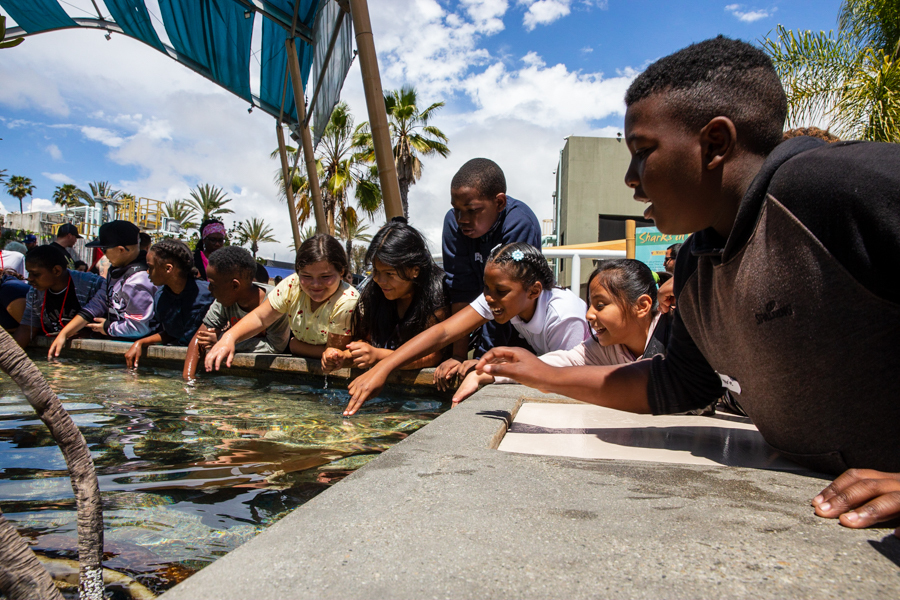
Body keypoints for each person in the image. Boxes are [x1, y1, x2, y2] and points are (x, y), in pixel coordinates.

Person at [472, 36, 900, 533]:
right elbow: (675, 382)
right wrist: (538, 375)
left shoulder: (831, 190)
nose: (631, 178)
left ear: (715, 143)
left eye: (643, 152)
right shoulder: (699, 264)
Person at [345, 243, 589, 415]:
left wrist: (491, 371)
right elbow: (443, 332)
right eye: (486, 288)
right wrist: (384, 368)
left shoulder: (564, 317)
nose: (489, 298)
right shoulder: (502, 297)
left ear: (534, 291)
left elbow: (565, 380)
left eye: (500, 292)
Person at [453, 259, 670, 404]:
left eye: (601, 305)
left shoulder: (675, 338)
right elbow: (553, 364)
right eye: (590, 304)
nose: (589, 315)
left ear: (641, 306)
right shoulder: (602, 349)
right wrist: (489, 373)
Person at [438, 158, 542, 386]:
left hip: (518, 329)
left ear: (500, 203)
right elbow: (460, 290)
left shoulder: (519, 223)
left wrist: (484, 358)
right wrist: (458, 355)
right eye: (456, 210)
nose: (462, 219)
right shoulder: (453, 223)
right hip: (481, 318)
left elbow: (505, 297)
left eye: (472, 210)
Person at [204, 234, 358, 374]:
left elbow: (333, 353)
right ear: (297, 272)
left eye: (325, 276)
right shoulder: (293, 285)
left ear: (342, 272)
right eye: (306, 276)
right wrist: (229, 337)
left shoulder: (345, 301)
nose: (315, 284)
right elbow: (260, 318)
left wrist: (295, 346)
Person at [348, 218, 450, 371]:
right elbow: (367, 339)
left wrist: (378, 355)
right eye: (376, 271)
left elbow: (432, 356)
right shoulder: (375, 293)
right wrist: (349, 354)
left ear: (414, 270)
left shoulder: (437, 294)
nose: (380, 280)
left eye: (390, 274)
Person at [48, 220, 157, 356]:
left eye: (104, 250)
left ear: (121, 250)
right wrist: (64, 333)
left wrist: (108, 328)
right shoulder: (117, 270)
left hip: (139, 350)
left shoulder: (138, 281)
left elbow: (139, 328)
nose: (103, 254)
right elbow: (97, 303)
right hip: (121, 341)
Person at [182, 246, 291, 381]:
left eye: (213, 284)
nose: (209, 289)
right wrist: (188, 379)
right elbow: (200, 338)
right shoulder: (223, 301)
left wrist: (223, 341)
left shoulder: (275, 302)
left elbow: (275, 346)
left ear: (235, 286)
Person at [124, 240, 214, 369]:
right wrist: (141, 343)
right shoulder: (160, 297)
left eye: (151, 267)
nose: (147, 272)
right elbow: (172, 333)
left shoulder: (209, 294)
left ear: (168, 268)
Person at [14, 245, 106, 347]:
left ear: (56, 271)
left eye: (35, 274)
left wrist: (88, 333)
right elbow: (28, 328)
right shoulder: (35, 292)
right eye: (29, 273)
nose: (29, 279)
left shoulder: (92, 285)